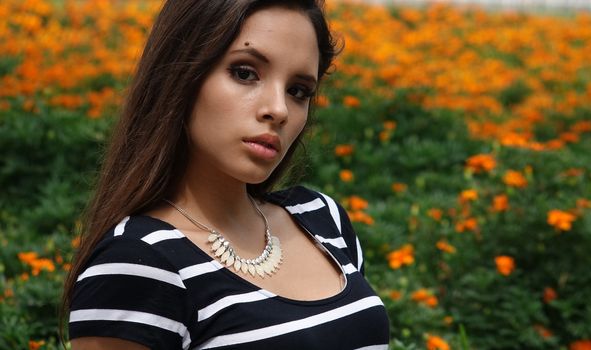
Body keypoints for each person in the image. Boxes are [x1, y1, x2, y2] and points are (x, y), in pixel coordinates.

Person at [60, 0, 390, 349]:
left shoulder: (323, 220)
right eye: (245, 73)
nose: (278, 109)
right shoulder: (136, 265)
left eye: (298, 91)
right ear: (179, 74)